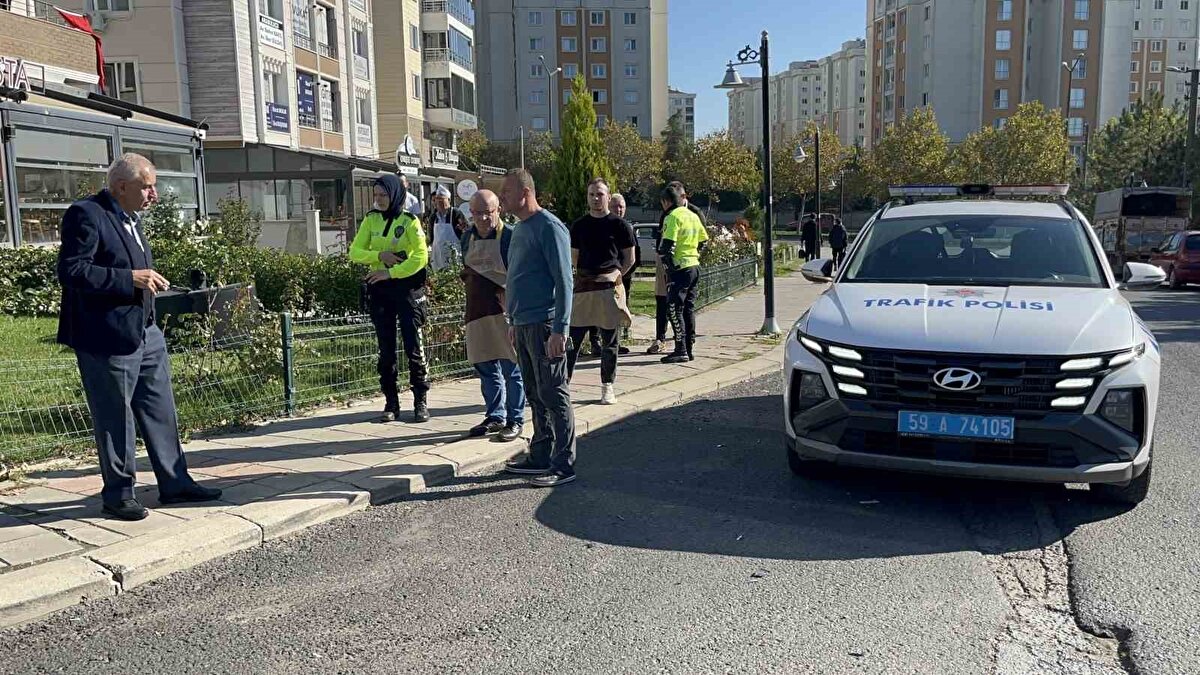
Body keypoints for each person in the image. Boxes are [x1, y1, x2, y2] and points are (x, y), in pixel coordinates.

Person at [56, 153, 222, 521]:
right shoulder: (87, 214)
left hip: (146, 333)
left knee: (161, 411)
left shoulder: (130, 218)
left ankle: (176, 484)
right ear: (121, 187)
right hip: (107, 337)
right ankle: (119, 494)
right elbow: (72, 270)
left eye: (154, 186)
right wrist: (130, 278)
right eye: (147, 187)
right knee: (115, 417)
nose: (154, 194)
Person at [499, 169, 577, 488]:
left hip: (545, 324)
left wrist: (560, 329)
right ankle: (541, 454)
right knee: (534, 392)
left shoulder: (549, 227)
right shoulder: (520, 228)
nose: (502, 197)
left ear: (525, 193)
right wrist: (514, 322)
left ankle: (564, 463)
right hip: (523, 324)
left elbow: (564, 280)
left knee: (554, 393)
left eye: (506, 191)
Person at [349, 174, 432, 423]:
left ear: (395, 195)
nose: (379, 199)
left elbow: (421, 257)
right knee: (386, 350)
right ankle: (391, 403)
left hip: (407, 289)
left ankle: (420, 401)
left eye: (383, 195)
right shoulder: (371, 219)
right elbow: (355, 252)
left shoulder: (409, 221)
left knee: (413, 347)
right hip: (380, 291)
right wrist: (379, 255)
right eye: (376, 195)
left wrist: (391, 272)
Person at [461, 190, 524, 442]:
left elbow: (520, 274)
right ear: (471, 213)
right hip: (477, 310)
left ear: (498, 210)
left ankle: (515, 419)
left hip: (505, 311)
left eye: (488, 212)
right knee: (486, 367)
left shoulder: (510, 236)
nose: (483, 218)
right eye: (477, 213)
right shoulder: (467, 237)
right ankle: (495, 416)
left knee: (512, 367)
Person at [566, 178, 635, 405]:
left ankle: (608, 386)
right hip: (583, 288)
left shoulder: (620, 225)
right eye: (592, 194)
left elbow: (630, 258)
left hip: (608, 289)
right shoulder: (579, 226)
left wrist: (616, 276)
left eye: (600, 194)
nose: (596, 198)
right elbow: (574, 258)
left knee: (609, 342)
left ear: (608, 196)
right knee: (572, 341)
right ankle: (562, 386)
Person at [647, 181, 705, 355]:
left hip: (680, 268)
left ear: (666, 202)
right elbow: (704, 240)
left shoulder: (672, 216)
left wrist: (669, 266)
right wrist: (694, 253)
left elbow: (666, 245)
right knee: (688, 308)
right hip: (693, 265)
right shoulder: (692, 215)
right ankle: (688, 348)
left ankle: (680, 349)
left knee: (673, 308)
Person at [610, 193, 636, 355]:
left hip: (623, 276)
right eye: (615, 206)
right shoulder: (605, 225)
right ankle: (596, 342)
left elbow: (634, 255)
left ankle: (617, 341)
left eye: (621, 206)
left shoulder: (627, 227)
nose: (618, 209)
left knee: (621, 309)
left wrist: (622, 274)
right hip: (606, 277)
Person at [426, 184, 469, 271]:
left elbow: (465, 232)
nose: (438, 202)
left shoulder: (456, 213)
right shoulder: (433, 217)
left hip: (454, 255)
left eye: (441, 199)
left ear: (449, 200)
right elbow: (430, 237)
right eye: (436, 199)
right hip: (438, 256)